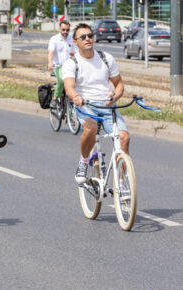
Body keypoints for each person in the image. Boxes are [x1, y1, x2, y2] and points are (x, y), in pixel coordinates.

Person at [62, 23, 126, 184]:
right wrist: (76, 96)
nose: (88, 39)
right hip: (86, 106)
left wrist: (115, 97)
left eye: (90, 35)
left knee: (124, 138)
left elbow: (119, 84)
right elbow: (69, 87)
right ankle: (83, 162)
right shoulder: (72, 63)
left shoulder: (106, 58)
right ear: (75, 42)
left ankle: (122, 183)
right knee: (91, 128)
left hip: (107, 105)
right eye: (83, 37)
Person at [47, 20, 76, 108]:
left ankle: (70, 115)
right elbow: (51, 52)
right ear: (59, 29)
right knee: (61, 80)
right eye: (63, 30)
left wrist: (74, 54)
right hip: (58, 66)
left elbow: (77, 52)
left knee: (75, 82)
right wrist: (50, 63)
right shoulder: (54, 39)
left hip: (70, 66)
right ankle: (55, 98)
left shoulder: (72, 39)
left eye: (67, 30)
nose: (65, 32)